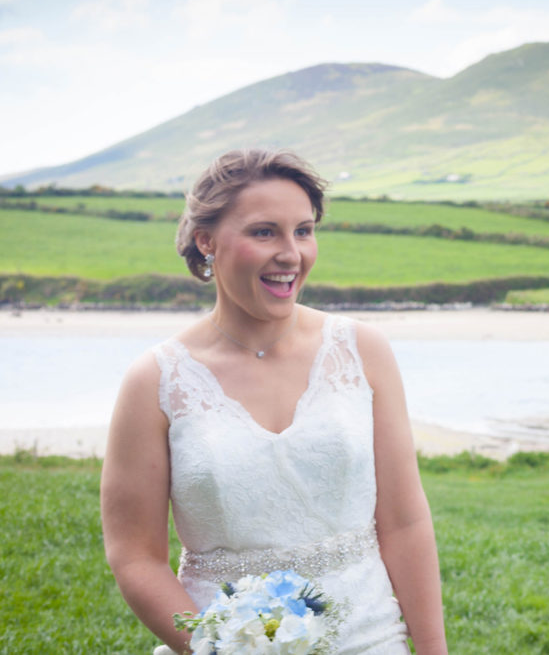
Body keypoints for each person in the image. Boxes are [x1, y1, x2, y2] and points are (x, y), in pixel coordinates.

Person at [101, 149, 447, 655]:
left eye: (303, 231)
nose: (291, 253)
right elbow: (135, 555)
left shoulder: (362, 351)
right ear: (206, 241)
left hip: (370, 638)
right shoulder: (155, 380)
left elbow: (404, 521)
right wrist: (213, 646)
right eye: (265, 232)